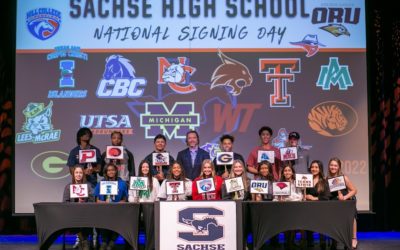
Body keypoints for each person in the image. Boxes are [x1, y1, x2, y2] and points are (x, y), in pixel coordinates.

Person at [94, 163, 128, 250]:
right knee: (102, 219)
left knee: (119, 220)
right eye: (108, 170)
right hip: (104, 211)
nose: (111, 172)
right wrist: (105, 202)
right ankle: (104, 242)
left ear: (116, 171)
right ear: (106, 172)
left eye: (112, 170)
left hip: (118, 211)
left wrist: (116, 204)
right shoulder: (101, 183)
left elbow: (125, 200)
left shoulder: (122, 183)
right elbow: (97, 200)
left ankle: (112, 242)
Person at [327, 157, 358, 249]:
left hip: (344, 203)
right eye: (331, 165)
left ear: (339, 167)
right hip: (333, 204)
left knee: (351, 215)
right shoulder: (327, 178)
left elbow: (354, 190)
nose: (333, 167)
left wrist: (344, 197)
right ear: (329, 166)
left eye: (335, 165)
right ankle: (334, 239)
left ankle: (354, 238)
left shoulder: (344, 178)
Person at [62, 165, 94, 250]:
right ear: (73, 174)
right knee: (75, 220)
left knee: (86, 220)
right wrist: (76, 203)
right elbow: (65, 202)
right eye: (76, 172)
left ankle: (82, 241)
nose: (78, 174)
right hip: (73, 214)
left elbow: (92, 201)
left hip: (86, 213)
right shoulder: (68, 186)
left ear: (83, 174)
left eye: (80, 172)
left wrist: (84, 203)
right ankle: (83, 241)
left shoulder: (88, 186)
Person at [274, 162, 303, 249]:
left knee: (294, 227)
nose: (287, 172)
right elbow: (275, 198)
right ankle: (285, 243)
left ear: (292, 172)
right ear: (283, 173)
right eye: (285, 171)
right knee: (284, 227)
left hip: (295, 209)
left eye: (289, 170)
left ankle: (294, 241)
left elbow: (300, 196)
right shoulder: (279, 183)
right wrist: (279, 199)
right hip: (283, 209)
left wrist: (288, 198)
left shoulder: (297, 183)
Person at [305, 160, 331, 248]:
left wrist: (314, 198)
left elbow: (327, 197)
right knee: (308, 225)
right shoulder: (306, 179)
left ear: (320, 169)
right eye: (312, 167)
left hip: (320, 209)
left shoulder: (324, 181)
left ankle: (323, 243)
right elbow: (302, 194)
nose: (314, 169)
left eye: (316, 167)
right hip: (308, 209)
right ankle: (310, 242)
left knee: (321, 226)